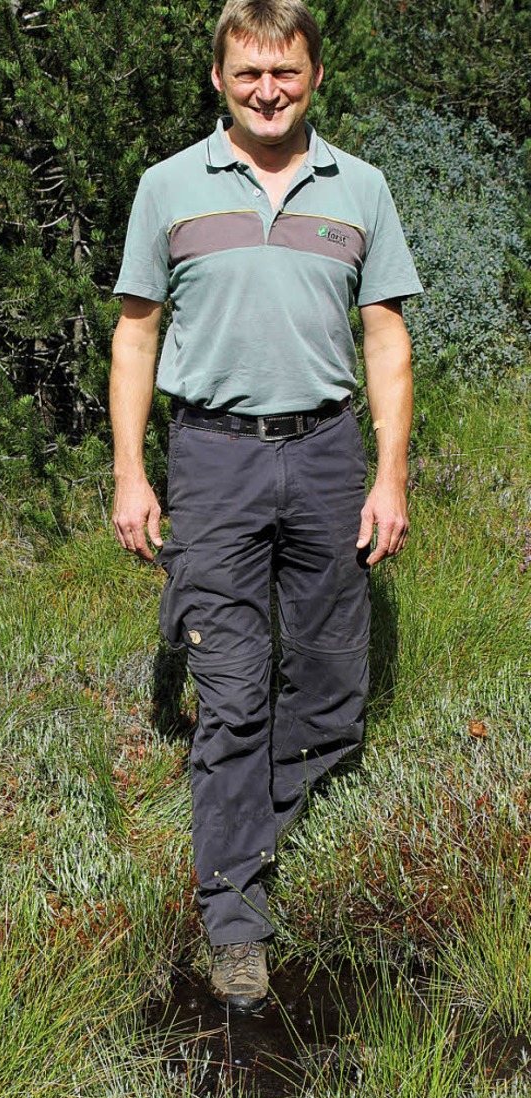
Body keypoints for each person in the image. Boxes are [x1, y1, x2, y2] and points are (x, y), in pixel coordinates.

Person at [110, 0, 422, 1013]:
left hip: (329, 456)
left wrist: (389, 472)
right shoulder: (168, 187)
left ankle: (243, 824)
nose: (267, 91)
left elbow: (384, 341)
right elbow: (134, 337)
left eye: (284, 72)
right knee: (235, 694)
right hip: (213, 460)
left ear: (315, 75)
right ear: (218, 77)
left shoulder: (361, 189)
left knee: (333, 693)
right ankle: (235, 913)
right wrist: (129, 470)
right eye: (247, 73)